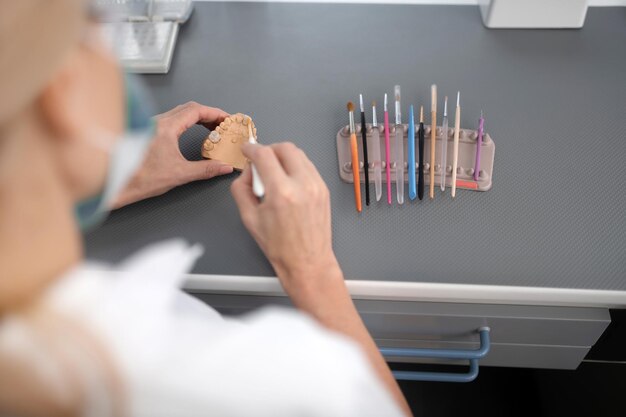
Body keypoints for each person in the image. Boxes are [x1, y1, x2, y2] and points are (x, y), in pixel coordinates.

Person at [0, 1, 411, 416]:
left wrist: (86, 177)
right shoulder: (208, 381)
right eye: (99, 33)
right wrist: (313, 271)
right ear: (65, 95)